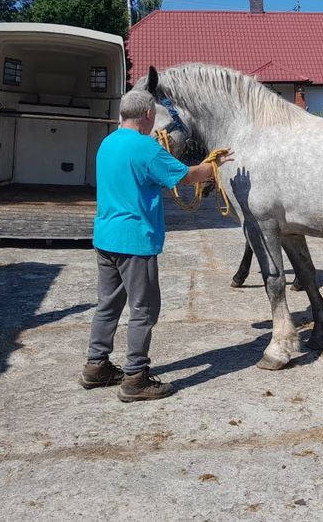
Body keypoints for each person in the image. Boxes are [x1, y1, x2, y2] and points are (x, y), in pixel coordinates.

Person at [79, 90, 233, 402]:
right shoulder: (146, 149)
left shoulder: (107, 143)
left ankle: (96, 366)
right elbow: (187, 177)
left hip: (106, 237)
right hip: (135, 241)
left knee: (108, 304)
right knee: (144, 308)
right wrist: (217, 162)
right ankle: (136, 377)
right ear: (149, 115)